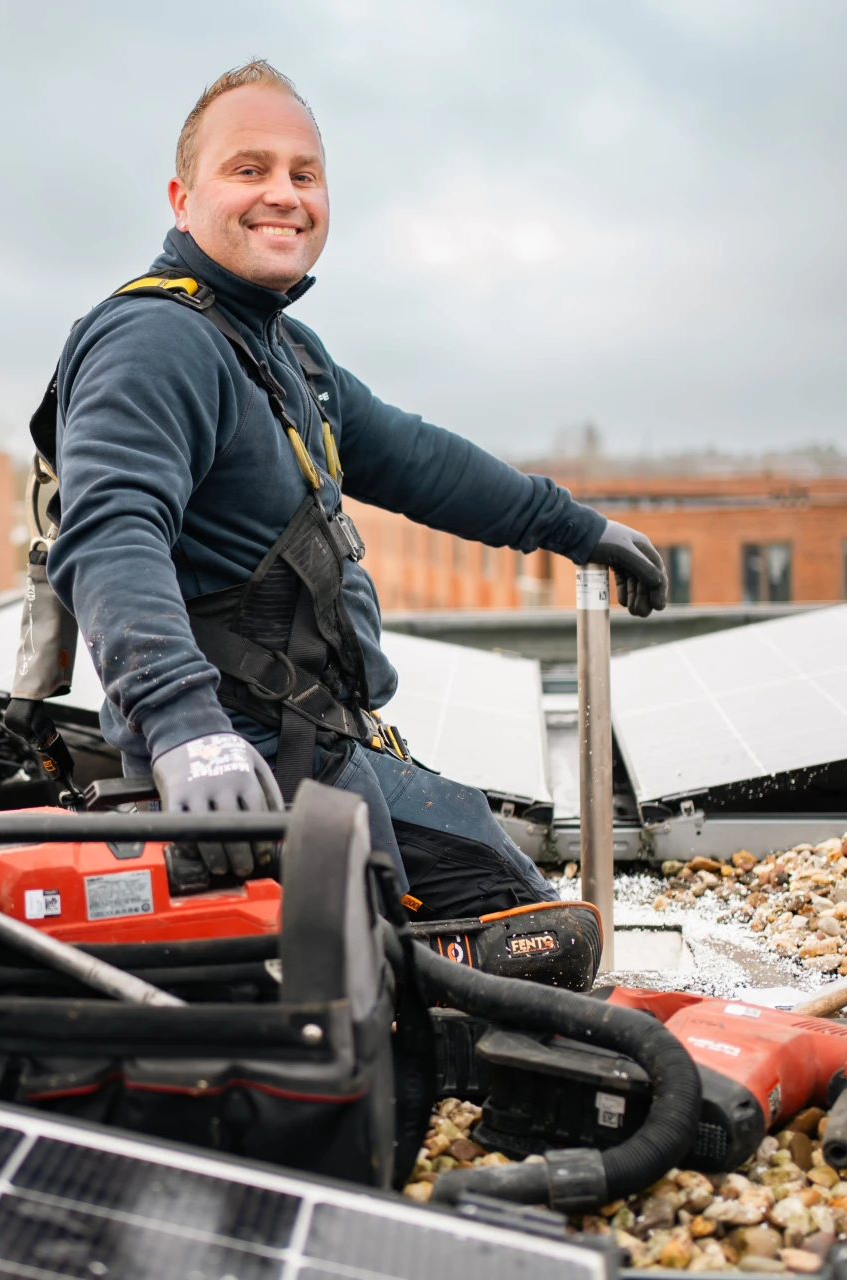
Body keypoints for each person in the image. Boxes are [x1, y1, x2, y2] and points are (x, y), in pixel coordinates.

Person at [41, 61, 666, 923]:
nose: (284, 196)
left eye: (304, 175)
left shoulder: (285, 351)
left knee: (526, 917)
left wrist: (572, 525)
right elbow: (111, 533)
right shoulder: (155, 339)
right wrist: (185, 728)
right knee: (468, 973)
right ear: (182, 198)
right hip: (238, 776)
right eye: (249, 169)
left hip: (320, 748)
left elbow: (418, 459)